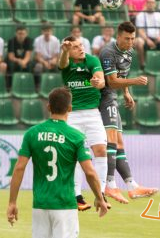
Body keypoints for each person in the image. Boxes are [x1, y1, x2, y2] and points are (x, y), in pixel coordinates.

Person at [7, 87, 108, 236]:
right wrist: (100, 198)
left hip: (40, 205)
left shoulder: (32, 133)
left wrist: (12, 202)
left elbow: (19, 168)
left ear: (48, 107)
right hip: (65, 205)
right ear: (70, 108)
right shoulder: (77, 137)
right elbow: (90, 172)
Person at [99, 21, 158, 202]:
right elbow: (111, 81)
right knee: (111, 140)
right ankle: (110, 185)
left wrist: (126, 93)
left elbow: (122, 76)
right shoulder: (108, 52)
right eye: (127, 39)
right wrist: (134, 82)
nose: (130, 42)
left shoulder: (129, 52)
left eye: (133, 39)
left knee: (119, 142)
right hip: (100, 96)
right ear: (118, 36)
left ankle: (132, 186)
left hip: (113, 97)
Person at [58, 36, 110, 210]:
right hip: (73, 115)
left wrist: (98, 82)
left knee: (101, 150)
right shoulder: (66, 63)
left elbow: (101, 81)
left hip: (93, 113)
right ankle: (77, 196)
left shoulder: (92, 60)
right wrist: (65, 51)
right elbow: (63, 63)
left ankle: (100, 193)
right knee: (75, 155)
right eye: (75, 47)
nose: (80, 49)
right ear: (69, 51)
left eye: (81, 45)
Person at [135, 0, 160, 68]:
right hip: (145, 39)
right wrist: (147, 40)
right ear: (146, 4)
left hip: (157, 39)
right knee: (138, 42)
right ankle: (142, 64)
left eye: (152, 3)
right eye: (149, 3)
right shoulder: (140, 15)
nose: (151, 4)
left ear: (155, 4)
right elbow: (140, 31)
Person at [33, 23, 60, 87]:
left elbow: (57, 55)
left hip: (52, 60)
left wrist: (53, 61)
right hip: (41, 61)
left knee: (60, 66)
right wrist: (45, 62)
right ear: (42, 32)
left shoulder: (56, 40)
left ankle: (57, 85)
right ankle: (38, 86)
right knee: (38, 67)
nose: (47, 33)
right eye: (45, 31)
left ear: (51, 32)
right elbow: (37, 56)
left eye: (49, 31)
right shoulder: (37, 40)